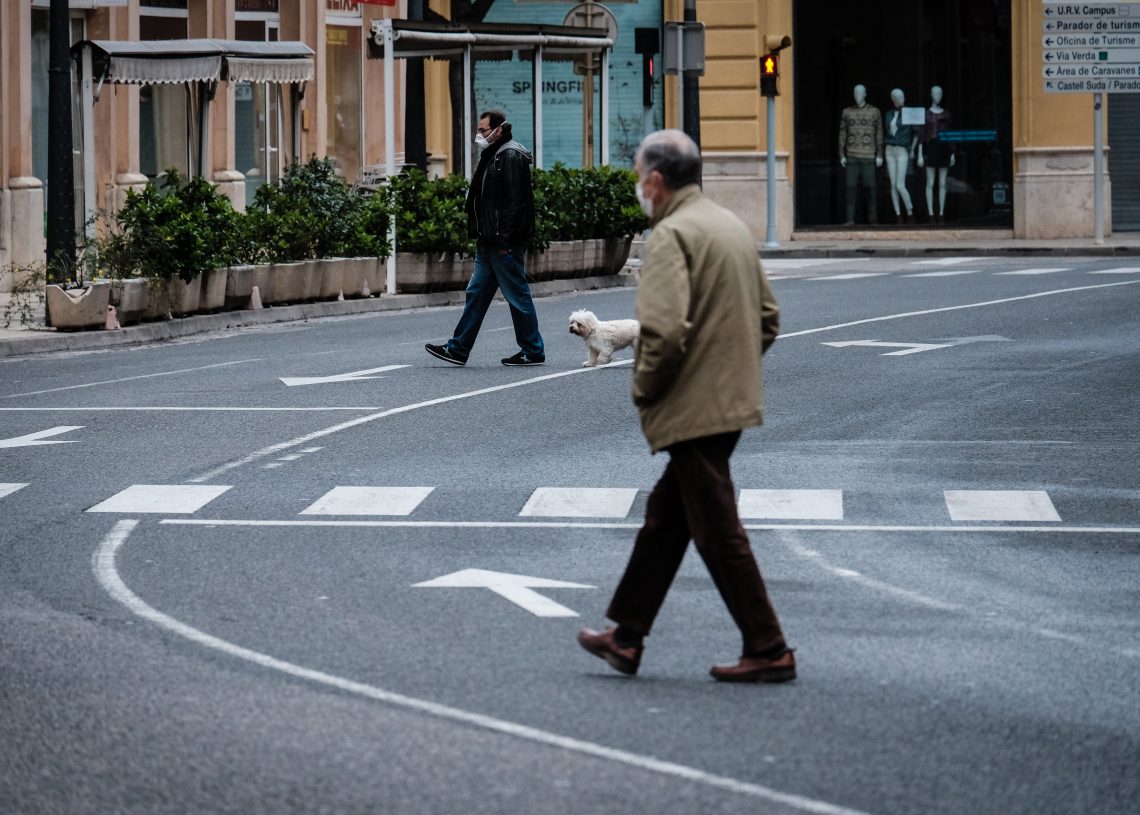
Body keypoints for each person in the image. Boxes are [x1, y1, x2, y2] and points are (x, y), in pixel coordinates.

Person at [577, 130, 794, 684]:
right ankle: (626, 636)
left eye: (636, 175)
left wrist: (646, 389)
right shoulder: (728, 225)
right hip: (730, 401)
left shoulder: (671, 236)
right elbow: (768, 319)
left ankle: (768, 647)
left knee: (719, 530)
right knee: (666, 519)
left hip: (694, 409)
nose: (636, 187)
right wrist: (730, 370)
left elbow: (664, 332)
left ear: (656, 180)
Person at [425, 110, 545, 366]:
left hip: (503, 243)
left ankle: (533, 350)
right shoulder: (493, 154)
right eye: (479, 130)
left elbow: (515, 203)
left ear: (498, 130)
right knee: (476, 293)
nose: (479, 134)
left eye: (483, 130)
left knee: (517, 295)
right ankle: (458, 349)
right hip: (488, 241)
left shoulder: (509, 156)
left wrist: (504, 241)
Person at [838, 84, 883, 225]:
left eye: (860, 93)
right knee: (850, 188)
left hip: (869, 155)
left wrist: (880, 154)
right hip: (851, 155)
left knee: (871, 188)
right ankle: (850, 219)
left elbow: (879, 133)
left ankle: (873, 220)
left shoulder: (875, 112)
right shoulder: (846, 112)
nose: (857, 96)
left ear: (865, 94)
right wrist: (841, 154)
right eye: (855, 93)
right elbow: (842, 133)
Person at [917, 85, 955, 224]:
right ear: (931, 95)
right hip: (930, 147)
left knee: (943, 182)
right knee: (930, 182)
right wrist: (920, 154)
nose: (938, 96)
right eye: (936, 93)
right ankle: (931, 214)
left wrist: (952, 153)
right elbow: (922, 135)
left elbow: (950, 134)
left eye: (940, 93)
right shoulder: (926, 114)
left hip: (944, 147)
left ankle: (941, 213)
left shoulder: (947, 114)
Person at [883, 88, 918, 224]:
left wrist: (913, 149)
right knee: (892, 185)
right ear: (893, 99)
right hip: (889, 149)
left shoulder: (909, 113)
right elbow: (889, 131)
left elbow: (917, 132)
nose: (900, 99)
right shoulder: (888, 114)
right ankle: (898, 215)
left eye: (902, 96)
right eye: (897, 97)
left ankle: (910, 212)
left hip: (902, 149)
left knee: (900, 185)